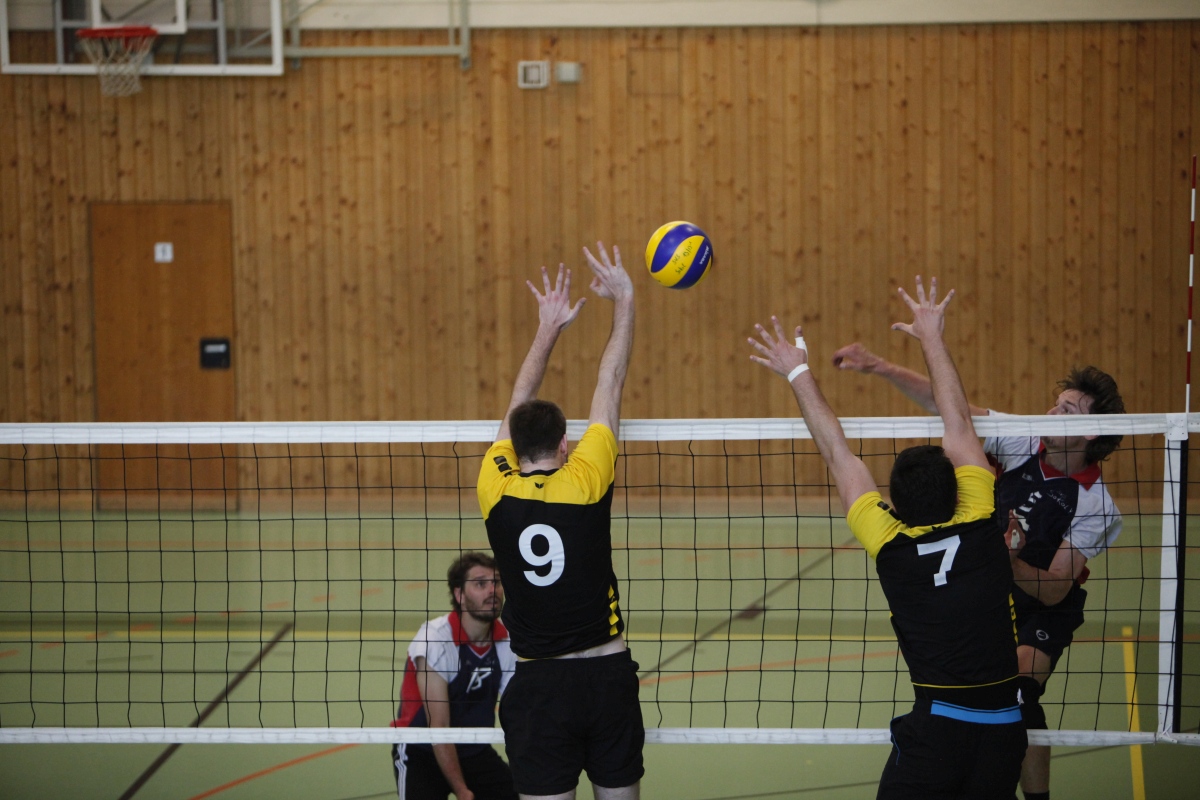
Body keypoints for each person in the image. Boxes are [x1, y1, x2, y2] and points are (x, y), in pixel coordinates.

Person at [749, 277, 1026, 800]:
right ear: (960, 488)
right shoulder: (979, 514)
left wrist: (797, 371)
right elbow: (959, 421)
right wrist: (932, 337)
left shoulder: (891, 546)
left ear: (893, 507)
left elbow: (838, 454)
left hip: (937, 732)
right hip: (1004, 731)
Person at [830, 345, 1124, 800]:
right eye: (1055, 402)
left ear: (1089, 432)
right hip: (986, 591)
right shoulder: (1023, 440)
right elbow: (953, 410)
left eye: (1066, 410)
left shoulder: (1096, 505)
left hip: (1040, 608)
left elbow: (1053, 590)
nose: (1050, 412)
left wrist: (1006, 560)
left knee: (1020, 694)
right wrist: (881, 367)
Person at [476, 245, 641, 800]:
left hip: (540, 685)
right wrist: (625, 300)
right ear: (565, 444)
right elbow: (609, 382)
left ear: (513, 446)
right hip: (606, 673)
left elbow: (516, 403)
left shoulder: (495, 486)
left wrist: (548, 329)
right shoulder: (587, 478)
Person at [392, 552, 518, 800]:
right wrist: (462, 790)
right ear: (459, 595)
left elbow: (517, 709)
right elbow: (438, 727)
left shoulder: (507, 640)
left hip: (473, 749)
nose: (492, 590)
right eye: (480, 584)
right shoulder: (435, 639)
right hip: (421, 750)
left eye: (496, 582)